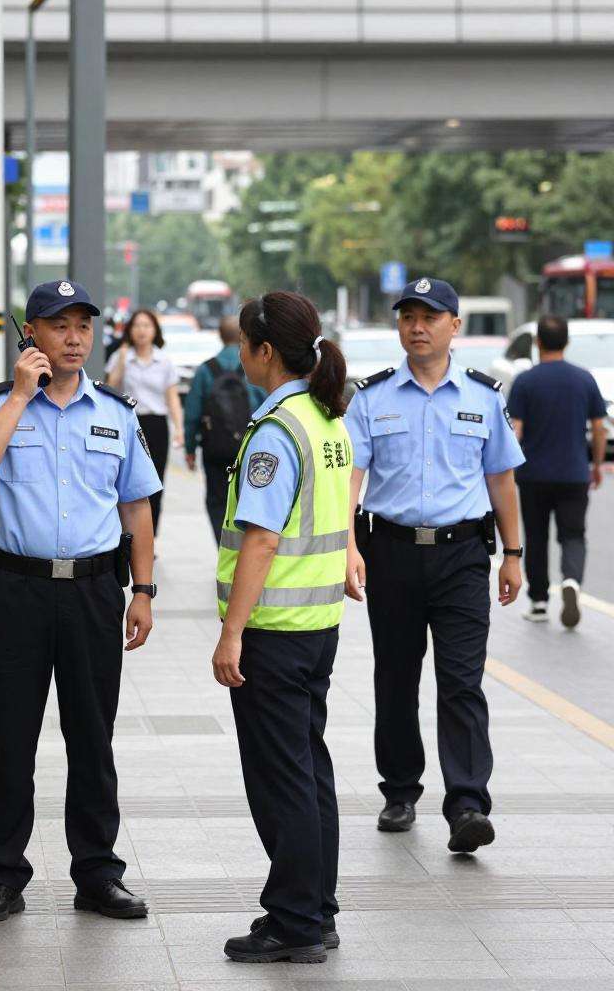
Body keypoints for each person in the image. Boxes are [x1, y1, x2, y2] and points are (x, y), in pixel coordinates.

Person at [0, 279, 161, 925]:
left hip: (96, 591)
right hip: (16, 590)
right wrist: (20, 395)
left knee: (92, 737)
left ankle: (98, 872)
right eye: (58, 325)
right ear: (32, 335)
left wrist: (145, 590)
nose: (74, 338)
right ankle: (4, 875)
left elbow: (137, 507)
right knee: (10, 735)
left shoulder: (117, 414)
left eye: (83, 326)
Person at [344, 277, 525, 853]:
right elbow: (351, 478)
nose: (417, 327)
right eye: (407, 317)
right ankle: (400, 790)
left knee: (462, 680)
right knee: (395, 675)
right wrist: (347, 545)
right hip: (391, 552)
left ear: (455, 325)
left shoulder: (483, 397)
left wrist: (514, 555)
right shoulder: (371, 397)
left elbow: (501, 478)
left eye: (430, 316)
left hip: (464, 556)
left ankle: (468, 802)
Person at [212, 291, 351, 965]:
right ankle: (316, 908)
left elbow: (260, 541)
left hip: (276, 629)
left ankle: (294, 920)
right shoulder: (324, 418)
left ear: (265, 351)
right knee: (309, 770)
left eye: (244, 343)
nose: (239, 354)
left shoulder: (278, 429)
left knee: (282, 778)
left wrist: (231, 632)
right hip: (316, 625)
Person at [506, 315, 607, 628]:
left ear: (538, 343)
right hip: (574, 473)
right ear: (567, 342)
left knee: (536, 538)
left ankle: (538, 601)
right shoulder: (584, 379)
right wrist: (597, 464)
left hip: (533, 475)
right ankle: (572, 581)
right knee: (573, 534)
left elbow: (516, 432)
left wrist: (506, 469)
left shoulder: (525, 381)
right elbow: (600, 427)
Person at [184, 316, 265, 540]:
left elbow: (192, 414)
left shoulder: (205, 370)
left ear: (219, 335)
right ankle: (245, 548)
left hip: (215, 449)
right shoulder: (253, 369)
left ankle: (224, 545)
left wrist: (190, 449)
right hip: (249, 446)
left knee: (217, 500)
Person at [104, 309, 184, 535]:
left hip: (157, 426)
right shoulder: (121, 357)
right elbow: (111, 387)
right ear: (130, 330)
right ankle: (125, 534)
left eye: (147, 326)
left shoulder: (164, 360)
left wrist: (179, 428)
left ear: (155, 330)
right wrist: (121, 359)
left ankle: (150, 537)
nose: (142, 330)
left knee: (154, 483)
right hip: (129, 424)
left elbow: (172, 397)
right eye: (137, 325)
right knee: (126, 481)